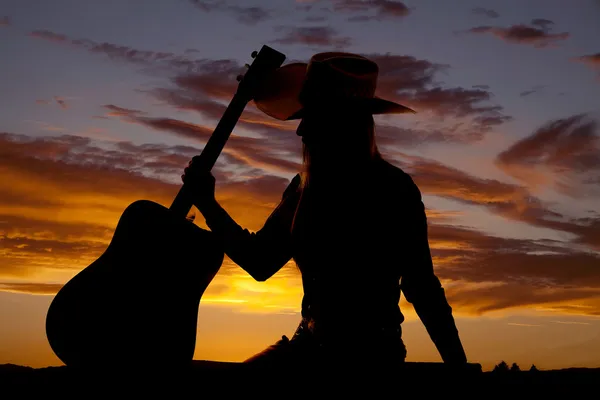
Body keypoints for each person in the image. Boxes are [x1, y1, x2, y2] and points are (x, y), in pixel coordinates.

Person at [182, 52, 468, 375]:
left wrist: (458, 366)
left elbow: (422, 288)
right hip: (310, 349)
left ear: (343, 124)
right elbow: (260, 260)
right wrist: (207, 205)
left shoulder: (394, 191)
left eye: (313, 117)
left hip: (373, 360)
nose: (300, 131)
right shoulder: (304, 190)